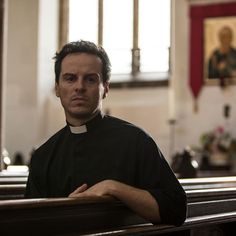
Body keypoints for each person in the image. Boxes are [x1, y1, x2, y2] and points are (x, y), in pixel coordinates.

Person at [25, 40, 187, 226]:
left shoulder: (135, 141)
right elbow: (31, 225)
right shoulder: (43, 156)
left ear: (106, 88)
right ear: (57, 88)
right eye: (70, 78)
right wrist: (65, 212)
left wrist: (113, 187)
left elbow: (176, 210)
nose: (79, 87)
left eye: (90, 79)